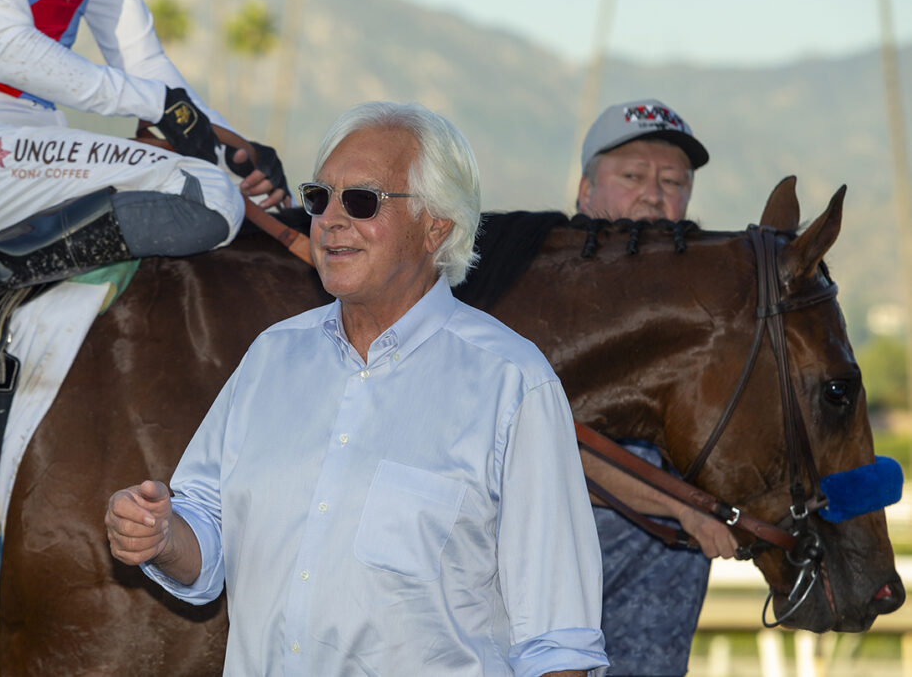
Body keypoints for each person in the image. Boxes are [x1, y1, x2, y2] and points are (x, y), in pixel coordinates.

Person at [106, 101, 608, 676]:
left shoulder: (513, 383)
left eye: (362, 201)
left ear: (435, 225)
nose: (330, 220)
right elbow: (207, 530)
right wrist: (162, 534)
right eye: (319, 198)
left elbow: (558, 642)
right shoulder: (271, 357)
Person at [0, 0, 288, 384]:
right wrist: (156, 104)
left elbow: (144, 64)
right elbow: (8, 49)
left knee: (215, 186)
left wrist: (236, 154)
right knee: (210, 199)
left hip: (36, 137)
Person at [575, 98, 739, 676]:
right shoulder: (540, 297)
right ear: (585, 191)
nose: (654, 193)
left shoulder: (707, 317)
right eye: (632, 176)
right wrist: (682, 507)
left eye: (673, 181)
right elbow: (539, 448)